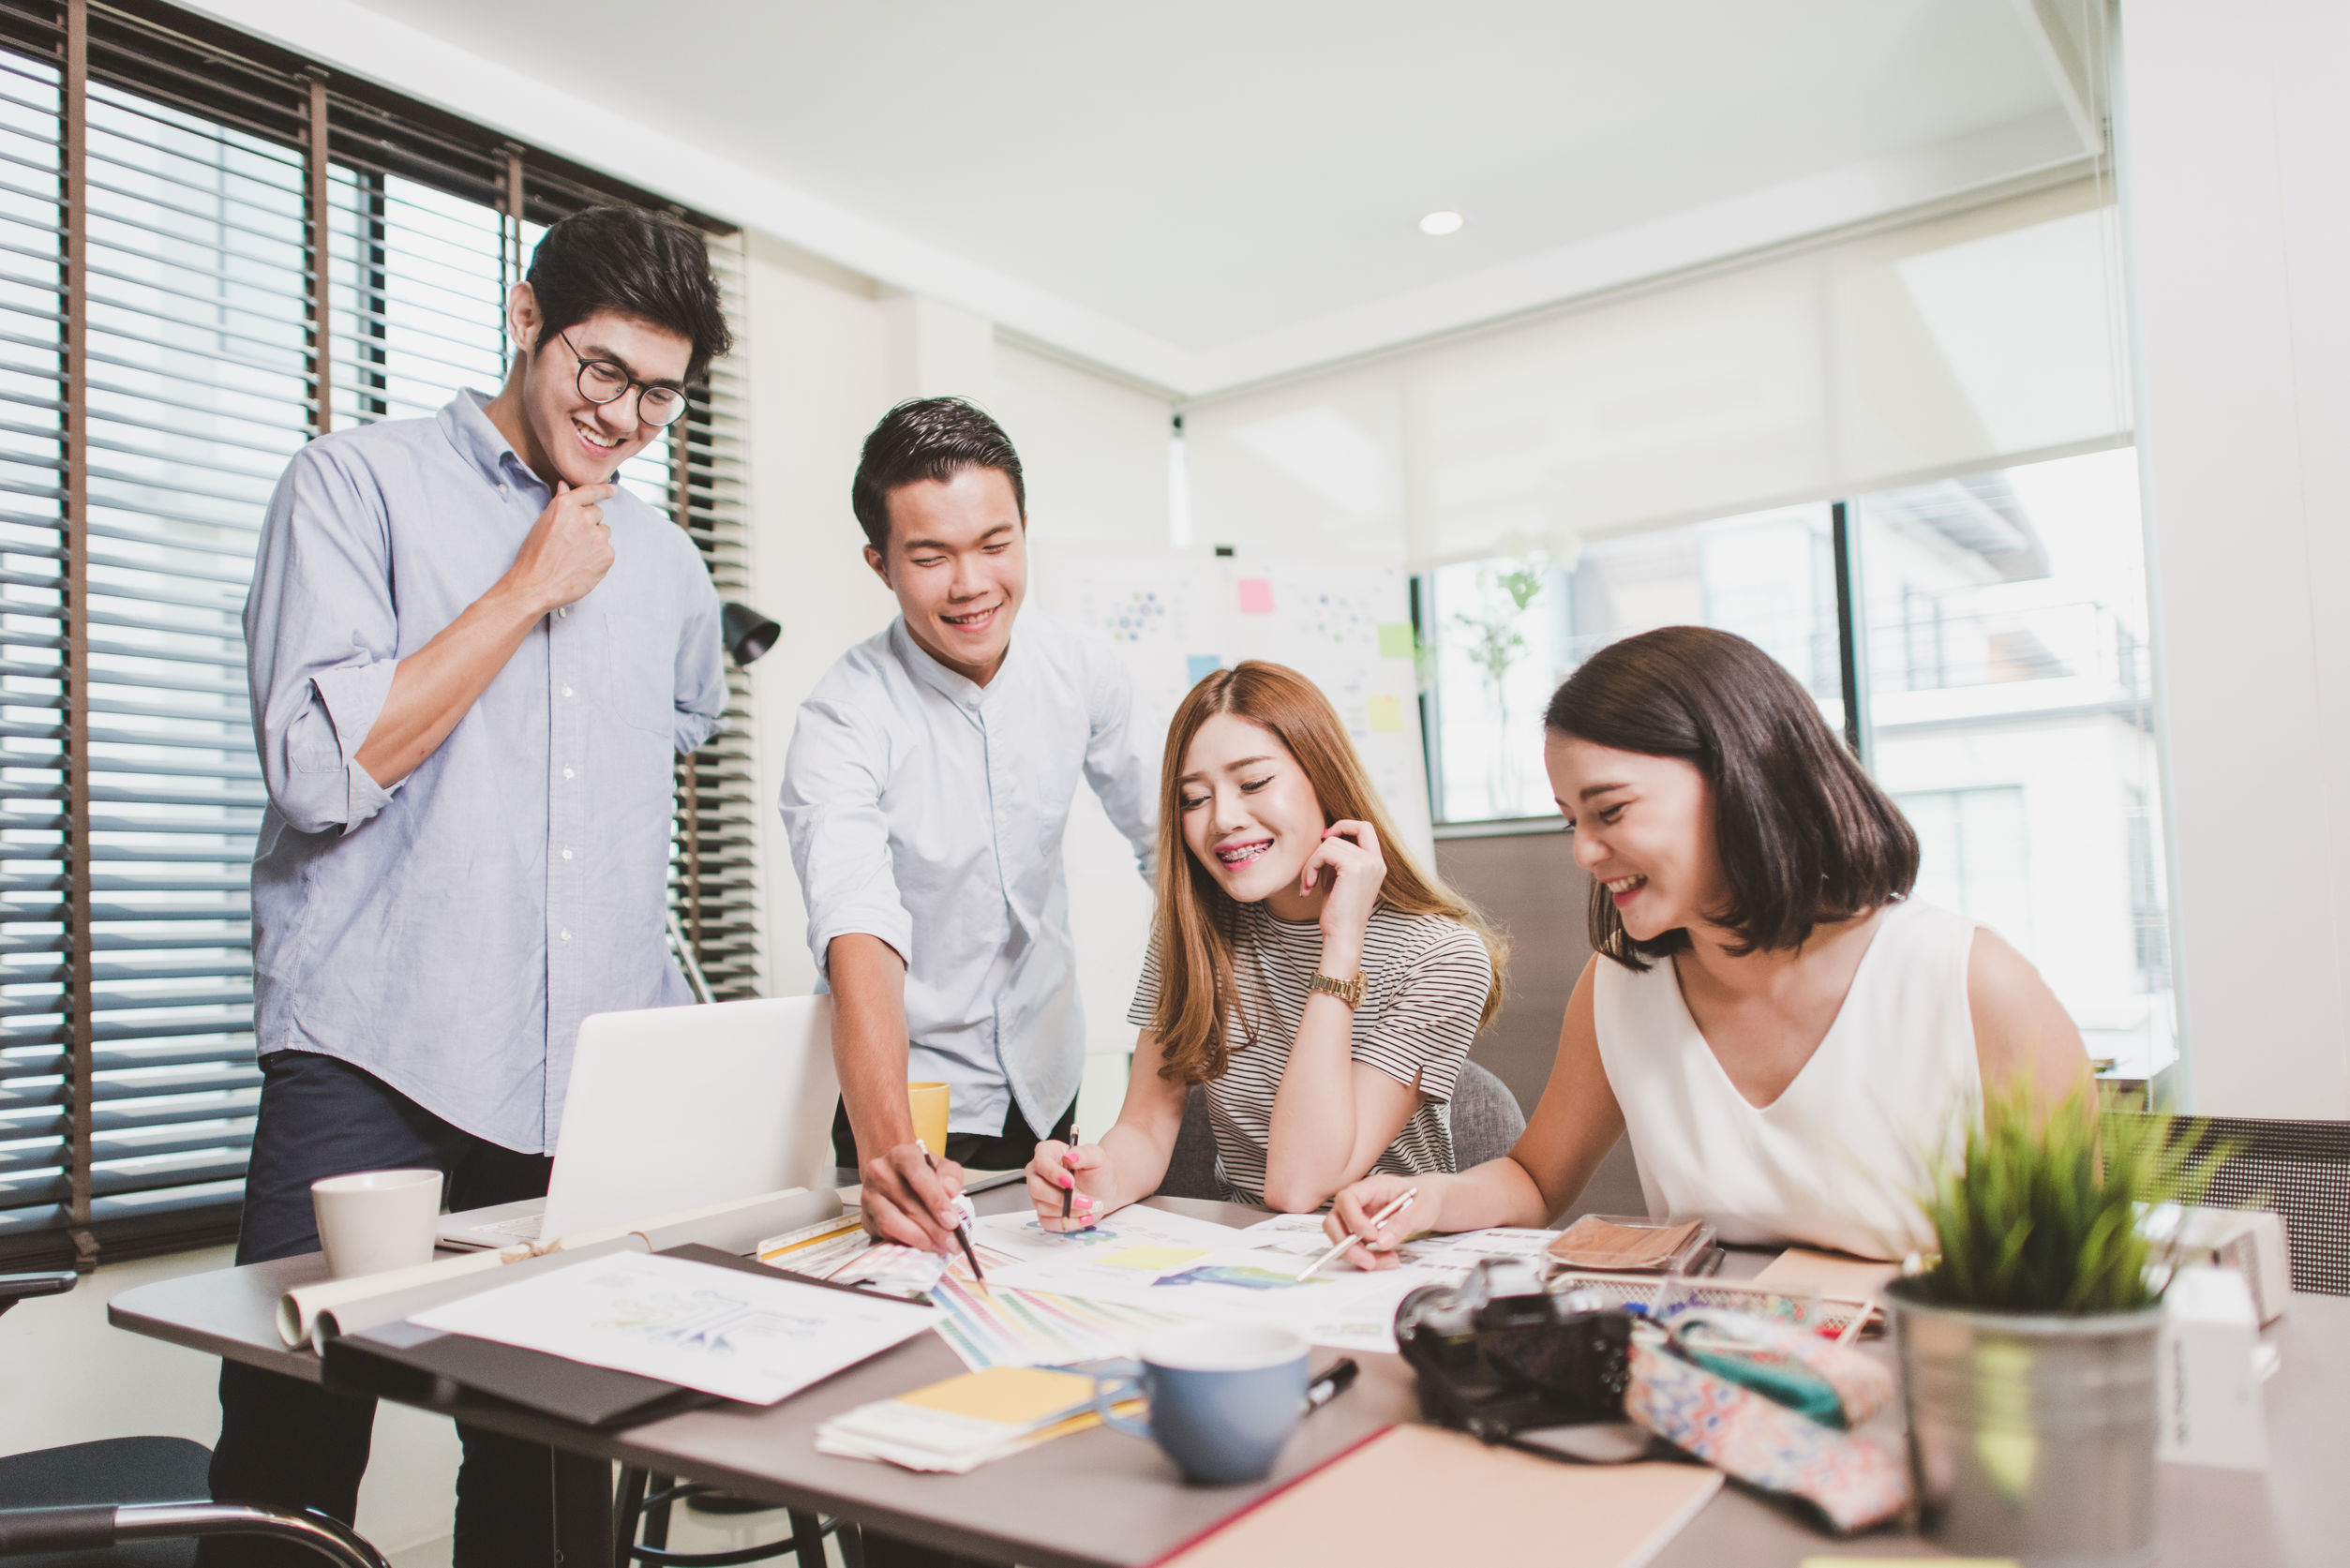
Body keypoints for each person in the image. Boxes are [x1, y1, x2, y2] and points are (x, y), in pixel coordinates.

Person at [225, 206, 731, 1566]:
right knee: (292, 1456)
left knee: (544, 1478)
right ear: (525, 319)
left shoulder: (672, 566)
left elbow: (681, 728)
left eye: (661, 395)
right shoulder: (351, 485)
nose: (624, 418)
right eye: (600, 370)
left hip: (576, 1083)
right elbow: (322, 774)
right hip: (369, 1060)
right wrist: (524, 589)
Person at [1325, 625, 2088, 1265]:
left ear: (1741, 777)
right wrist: (1431, 1196)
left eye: (1610, 810)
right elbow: (1534, 1177)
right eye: (1571, 821)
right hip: (1706, 1379)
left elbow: (2077, 1268)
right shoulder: (1622, 984)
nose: (1585, 853)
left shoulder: (1970, 984)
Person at [780, 397, 1156, 1257]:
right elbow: (858, 929)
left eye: (996, 544)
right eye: (931, 556)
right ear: (879, 564)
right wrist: (887, 1151)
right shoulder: (843, 718)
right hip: (907, 1095)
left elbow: (1170, 844)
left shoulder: (1081, 669)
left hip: (1047, 1072)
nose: (973, 584)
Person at [1025, 661, 1502, 1227]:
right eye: (1193, 799)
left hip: (1384, 1253)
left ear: (1323, 778)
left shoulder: (1441, 956)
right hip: (1247, 1254)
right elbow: (1148, 1125)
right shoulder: (1196, 932)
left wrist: (1341, 942)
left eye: (1253, 784)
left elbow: (1300, 1185)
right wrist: (1098, 1179)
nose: (1223, 819)